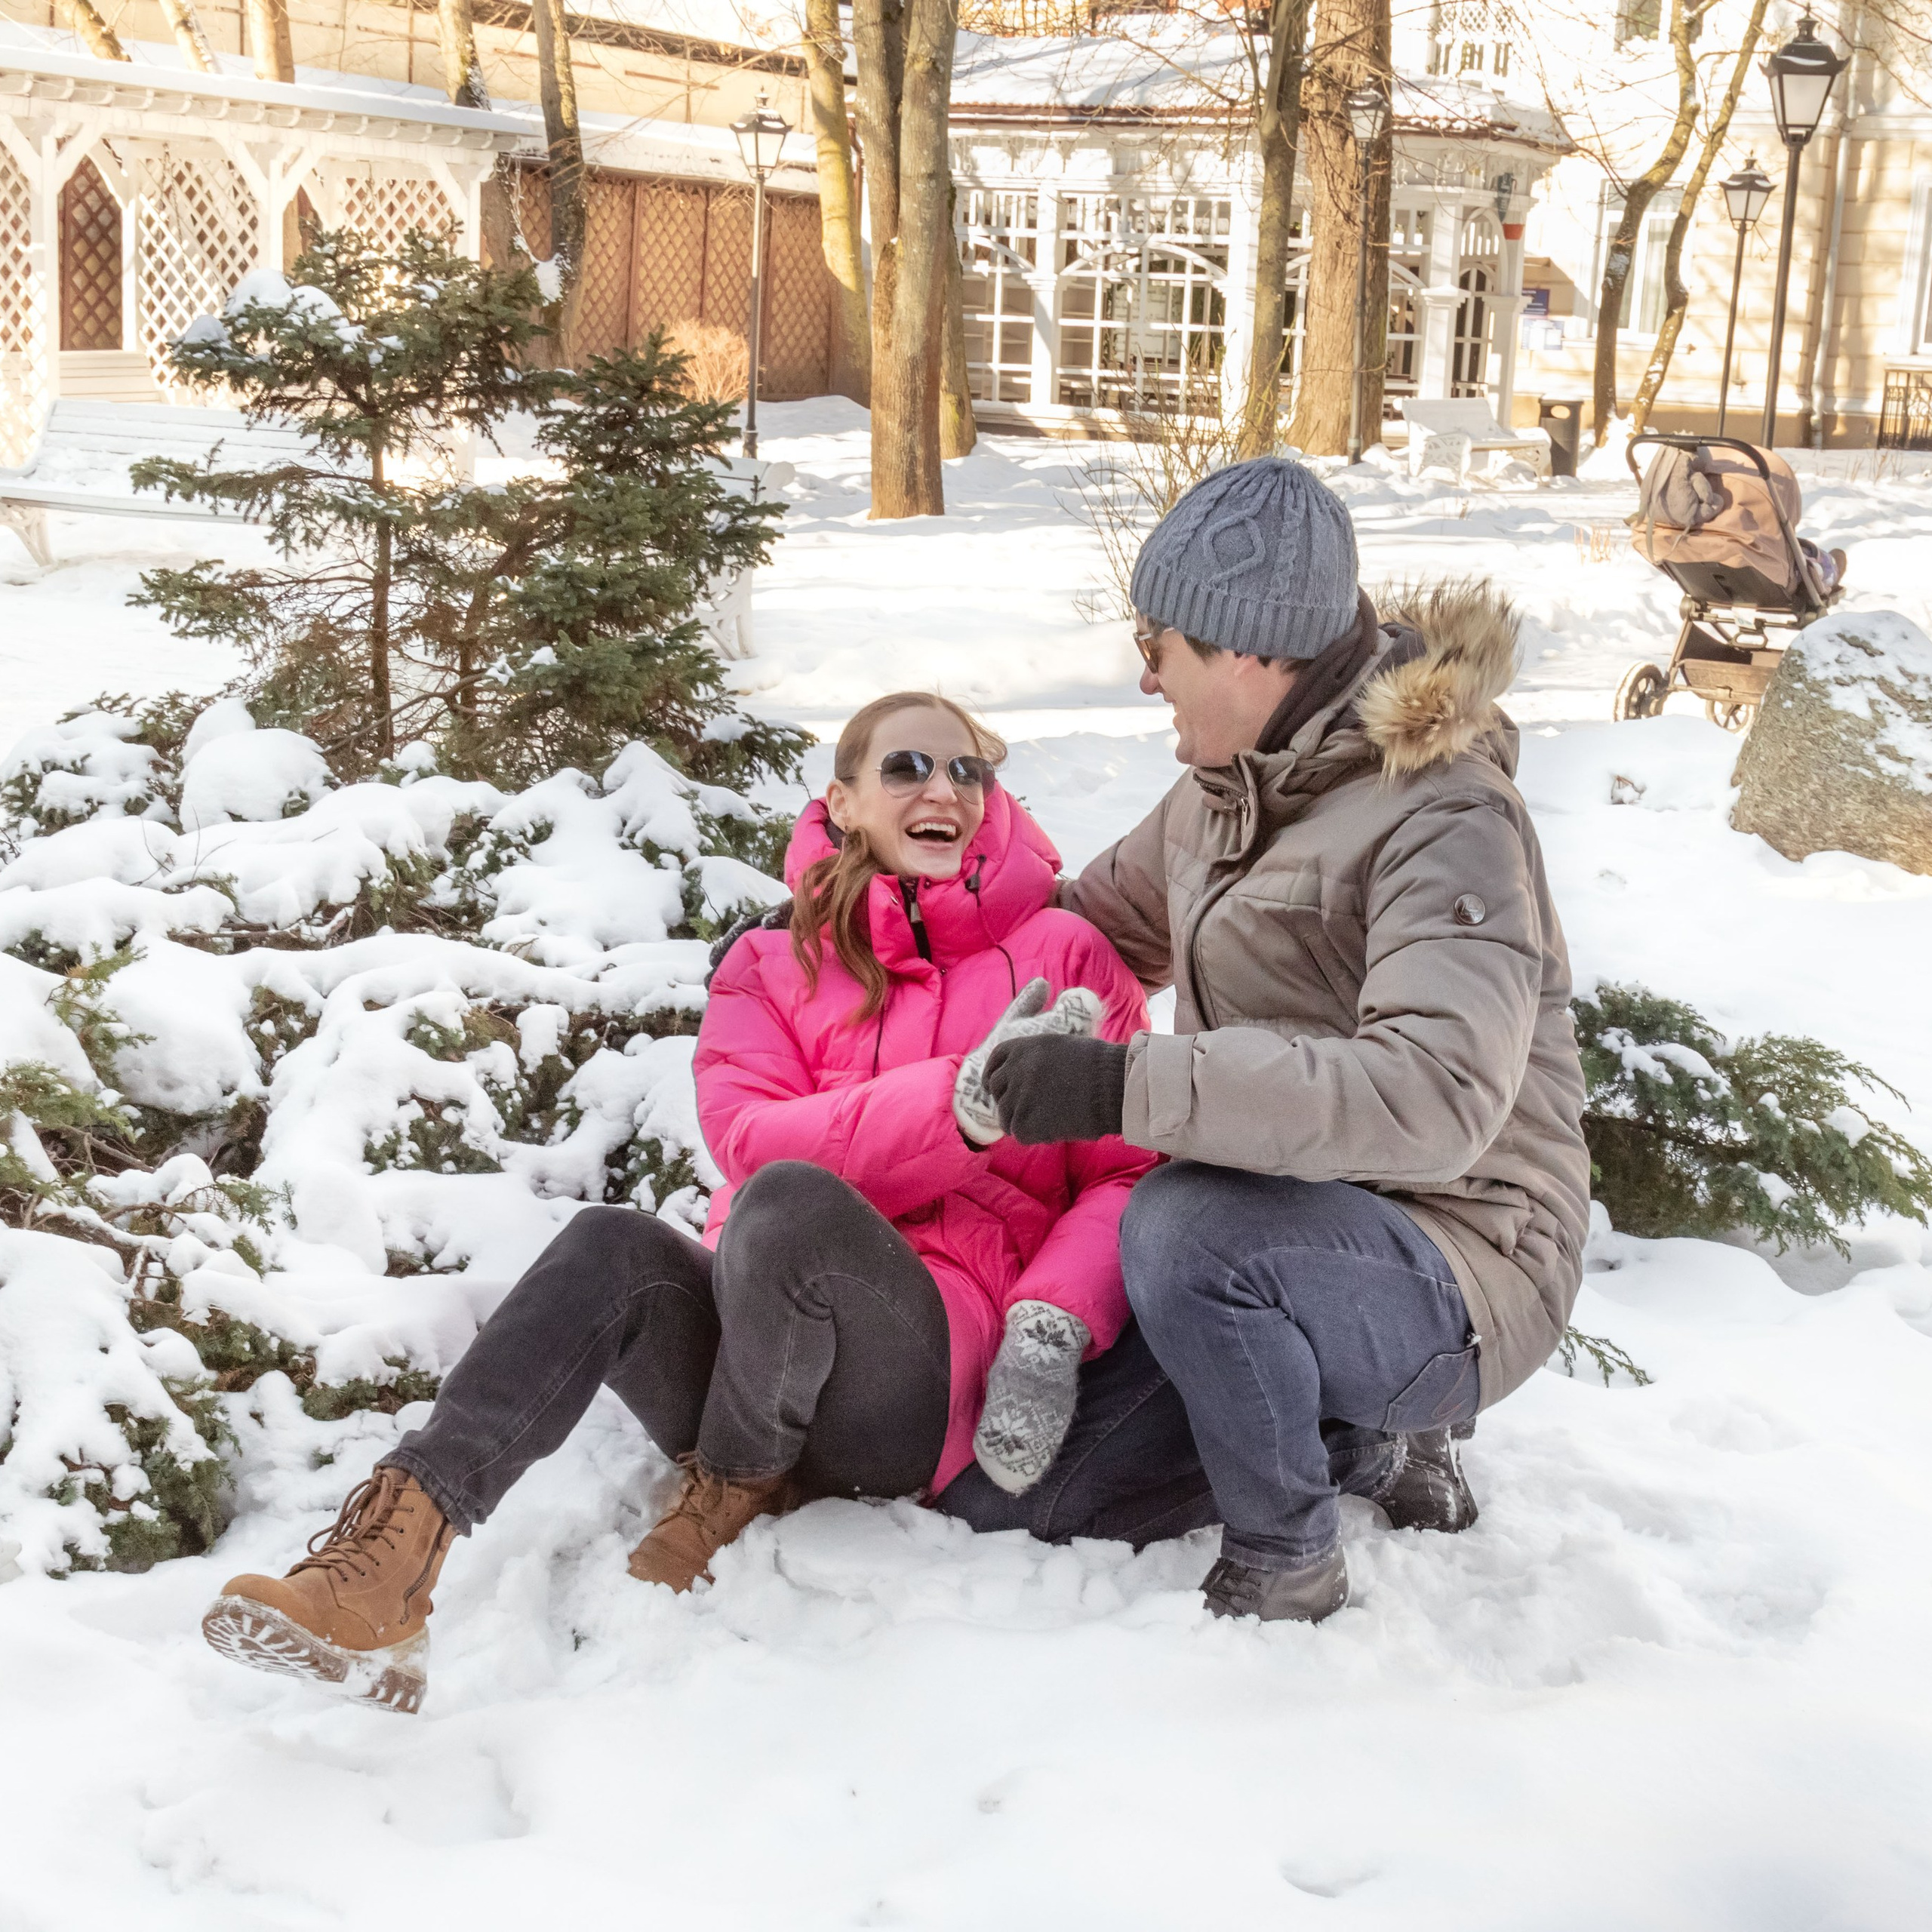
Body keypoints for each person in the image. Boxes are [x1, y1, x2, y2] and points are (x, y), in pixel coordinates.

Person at [201, 692, 1155, 1711]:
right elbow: (748, 1133)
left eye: (969, 771)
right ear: (842, 801)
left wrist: (1048, 1325)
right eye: (909, 767)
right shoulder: (771, 963)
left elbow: (1125, 1172)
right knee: (612, 1244)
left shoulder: (1066, 955)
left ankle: (733, 1486)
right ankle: (390, 1557)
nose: (945, 790)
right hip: (758, 1341)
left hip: (913, 1380)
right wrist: (954, 1107)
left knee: (791, 1210)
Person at [973, 457, 1592, 1624]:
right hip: (1284, 1226)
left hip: (1463, 1260)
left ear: (1250, 654)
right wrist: (846, 932)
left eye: (1160, 644)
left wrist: (1125, 1086)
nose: (1144, 672)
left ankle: (1287, 1554)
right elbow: (1083, 927)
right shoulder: (1225, 791)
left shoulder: (1448, 815)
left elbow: (1432, 1097)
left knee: (1183, 1224)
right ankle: (1360, 1440)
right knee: (1059, 1495)